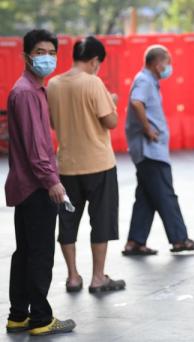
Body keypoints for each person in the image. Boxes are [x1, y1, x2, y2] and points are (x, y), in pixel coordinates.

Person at [4, 29, 76, 336]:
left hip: (25, 185)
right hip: (36, 186)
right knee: (39, 253)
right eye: (39, 52)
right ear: (25, 56)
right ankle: (40, 318)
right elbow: (36, 148)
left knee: (25, 251)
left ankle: (18, 315)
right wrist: (52, 182)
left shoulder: (28, 90)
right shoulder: (27, 93)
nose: (46, 58)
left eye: (51, 52)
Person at [47, 36, 125, 294]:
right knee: (100, 220)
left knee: (67, 221)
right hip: (99, 164)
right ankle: (98, 277)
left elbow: (54, 124)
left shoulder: (53, 84)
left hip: (67, 166)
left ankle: (72, 277)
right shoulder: (93, 83)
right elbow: (110, 122)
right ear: (94, 61)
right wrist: (112, 101)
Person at [123, 45, 194, 255]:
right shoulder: (143, 80)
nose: (169, 67)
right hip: (150, 150)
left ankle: (135, 241)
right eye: (167, 63)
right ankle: (179, 239)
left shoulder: (150, 81)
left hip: (150, 149)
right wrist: (148, 129)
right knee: (166, 194)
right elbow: (136, 103)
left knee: (146, 196)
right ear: (157, 63)